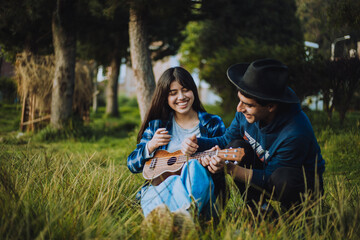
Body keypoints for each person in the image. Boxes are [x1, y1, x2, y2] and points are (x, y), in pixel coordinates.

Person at [181, 59, 325, 211]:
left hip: (298, 185)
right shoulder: (246, 114)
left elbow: (270, 178)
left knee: (283, 178)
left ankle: (295, 215)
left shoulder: (295, 132)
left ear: (270, 106)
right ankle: (258, 210)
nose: (239, 108)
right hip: (266, 172)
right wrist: (196, 143)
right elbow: (226, 140)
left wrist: (230, 169)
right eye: (240, 101)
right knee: (235, 145)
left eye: (248, 105)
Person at [127, 66, 226, 218]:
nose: (181, 97)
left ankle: (178, 218)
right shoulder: (157, 126)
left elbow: (223, 168)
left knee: (193, 166)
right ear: (165, 98)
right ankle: (179, 222)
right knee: (153, 190)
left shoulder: (212, 123)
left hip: (202, 194)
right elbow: (132, 164)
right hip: (162, 191)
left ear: (193, 91)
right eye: (173, 93)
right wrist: (150, 145)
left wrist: (217, 167)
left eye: (185, 90)